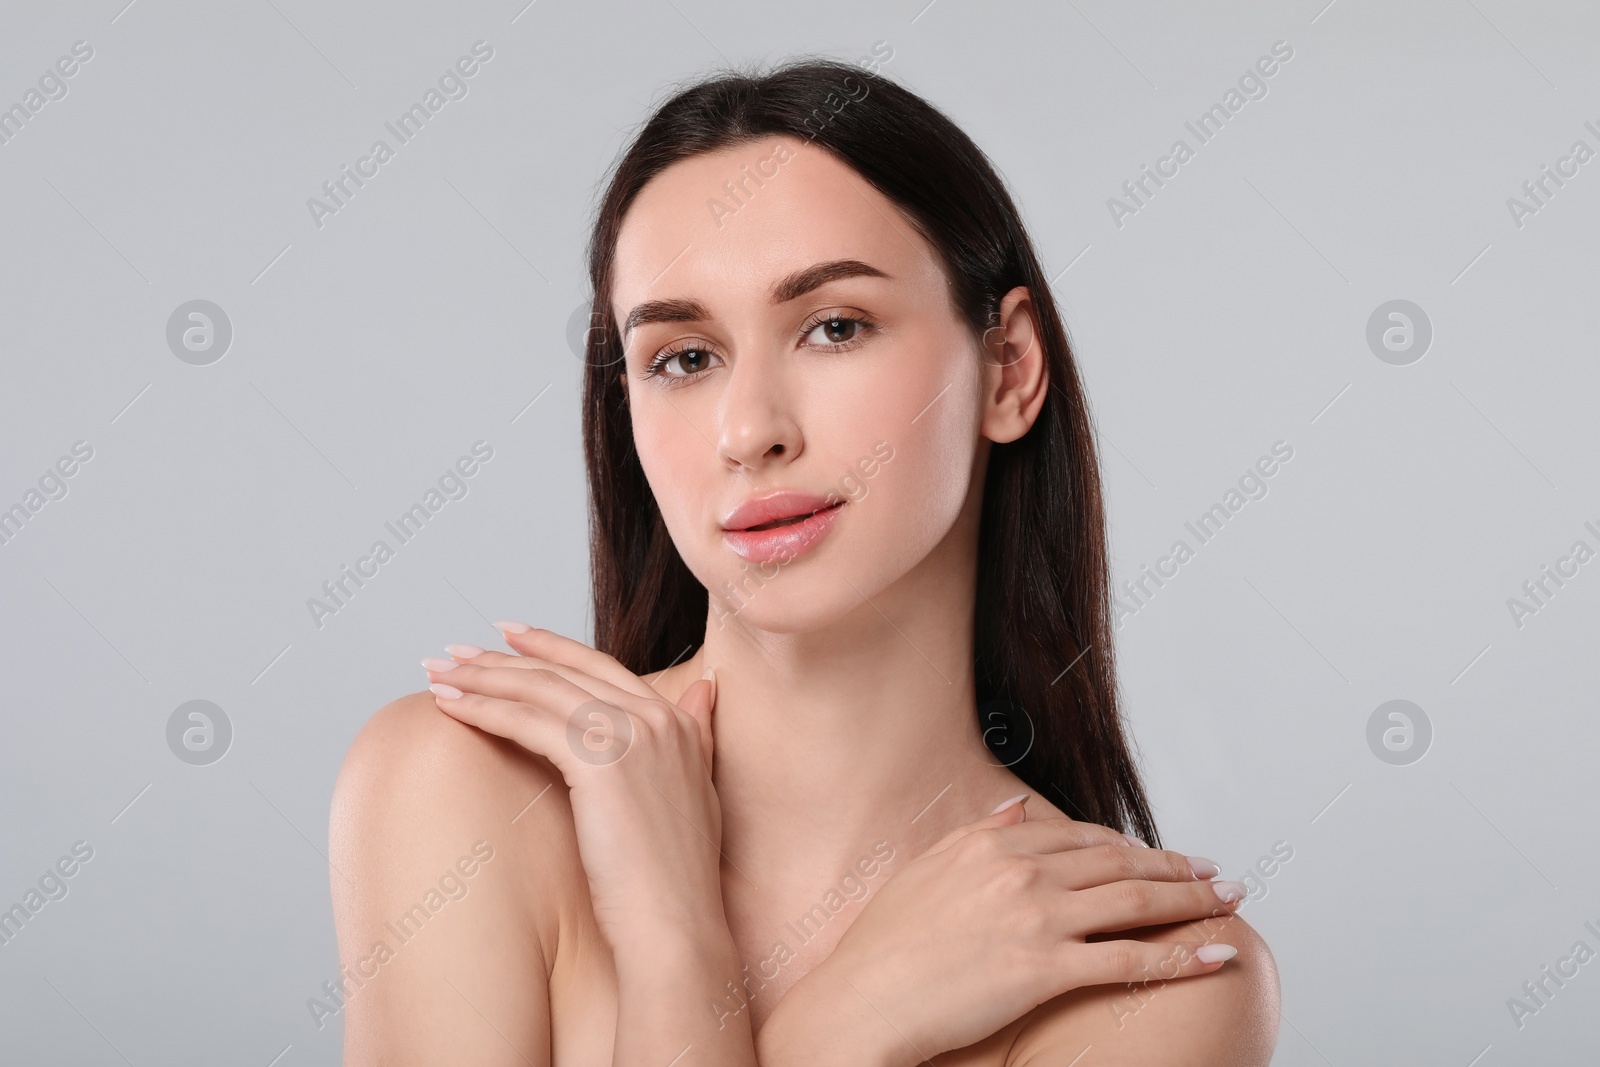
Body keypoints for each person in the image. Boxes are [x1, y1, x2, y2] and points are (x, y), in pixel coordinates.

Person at [330, 55, 1279, 1066]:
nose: (749, 430)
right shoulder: (459, 786)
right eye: (683, 356)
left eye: (834, 327)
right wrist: (718, 961)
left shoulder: (1146, 973)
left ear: (1009, 367)